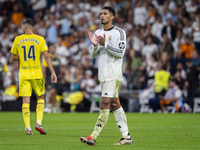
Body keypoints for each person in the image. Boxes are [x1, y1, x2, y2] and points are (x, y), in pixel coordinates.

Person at [80, 6, 132, 146]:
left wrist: (106, 44)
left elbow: (120, 53)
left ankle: (93, 136)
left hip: (113, 74)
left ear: (112, 17)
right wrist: (95, 46)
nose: (101, 15)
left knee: (104, 103)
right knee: (115, 104)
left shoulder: (119, 33)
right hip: (102, 75)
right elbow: (93, 55)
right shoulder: (98, 32)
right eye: (101, 13)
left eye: (105, 13)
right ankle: (126, 137)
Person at [10, 18, 57, 135]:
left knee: (25, 101)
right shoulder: (40, 39)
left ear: (25, 27)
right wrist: (53, 72)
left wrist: (21, 56)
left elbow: (12, 58)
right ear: (33, 27)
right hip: (37, 74)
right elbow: (46, 57)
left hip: (24, 74)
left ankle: (27, 128)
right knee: (40, 98)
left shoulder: (18, 39)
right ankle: (38, 123)